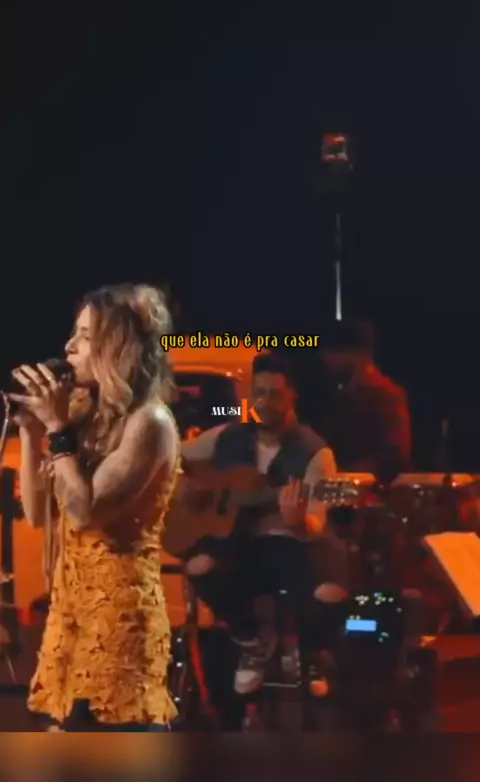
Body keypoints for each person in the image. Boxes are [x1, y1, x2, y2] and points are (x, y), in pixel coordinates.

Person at [9, 284, 179, 732]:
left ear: (115, 348)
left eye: (84, 337)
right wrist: (31, 432)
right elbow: (38, 515)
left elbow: (87, 512)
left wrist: (58, 431)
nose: (68, 347)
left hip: (118, 622)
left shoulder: (149, 423)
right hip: (70, 614)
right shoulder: (86, 417)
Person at [180, 352, 349, 695]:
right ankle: (251, 641)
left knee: (330, 590)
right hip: (236, 542)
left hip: (289, 542)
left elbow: (316, 521)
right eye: (258, 394)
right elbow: (175, 456)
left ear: (292, 397)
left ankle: (315, 652)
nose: (265, 403)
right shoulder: (227, 435)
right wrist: (189, 488)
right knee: (199, 566)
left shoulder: (316, 453)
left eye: (274, 395)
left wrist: (299, 521)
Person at [317, 319, 412, 482]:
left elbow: (392, 455)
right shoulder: (342, 395)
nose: (325, 360)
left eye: (332, 353)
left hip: (374, 490)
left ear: (355, 354)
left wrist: (344, 476)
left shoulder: (385, 396)